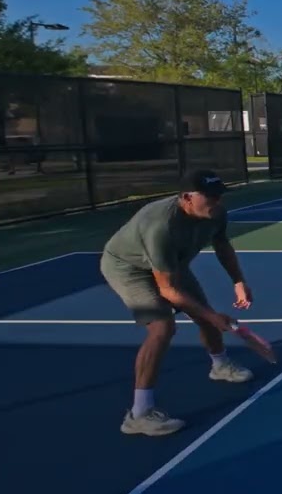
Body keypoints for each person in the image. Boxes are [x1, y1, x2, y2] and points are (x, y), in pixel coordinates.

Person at [99, 169, 255, 437]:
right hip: (129, 267)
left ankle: (220, 365)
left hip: (173, 264)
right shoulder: (161, 225)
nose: (217, 202)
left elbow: (222, 245)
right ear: (187, 197)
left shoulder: (215, 212)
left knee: (205, 315)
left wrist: (238, 281)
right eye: (210, 197)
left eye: (219, 196)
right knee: (162, 327)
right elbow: (168, 290)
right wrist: (212, 315)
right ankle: (139, 414)